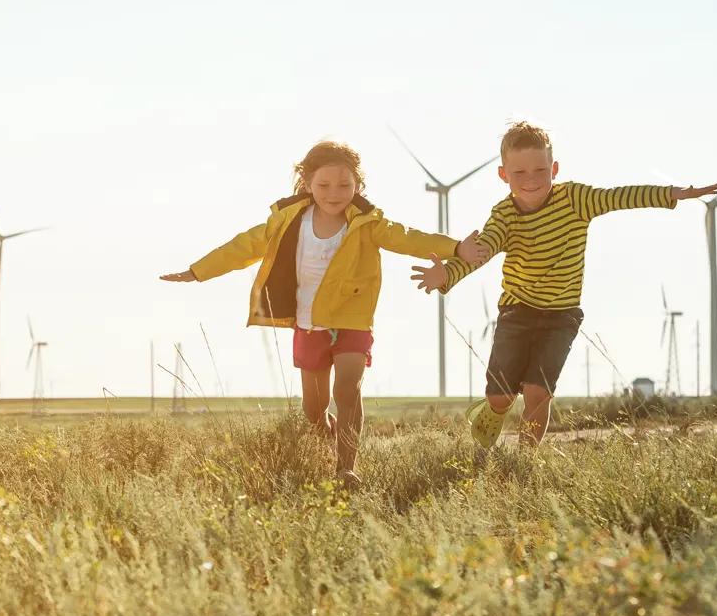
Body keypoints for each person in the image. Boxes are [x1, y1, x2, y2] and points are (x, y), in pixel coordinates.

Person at [161, 140, 490, 487]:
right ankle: (329, 434)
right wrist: (197, 271)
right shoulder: (287, 221)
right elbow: (241, 247)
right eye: (324, 185)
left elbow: (409, 238)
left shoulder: (367, 224)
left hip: (353, 321)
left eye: (345, 185)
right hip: (309, 324)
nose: (335, 193)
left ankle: (346, 467)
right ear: (307, 184)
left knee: (347, 390)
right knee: (313, 411)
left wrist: (455, 247)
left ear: (358, 186)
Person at [410, 120, 717, 447]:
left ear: (554, 169)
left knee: (537, 392)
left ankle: (527, 459)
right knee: (501, 397)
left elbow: (620, 197)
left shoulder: (576, 199)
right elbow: (482, 250)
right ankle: (494, 409)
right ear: (503, 175)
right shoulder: (504, 215)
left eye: (539, 170)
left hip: (562, 316)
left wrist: (672, 194)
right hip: (516, 311)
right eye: (519, 173)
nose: (530, 180)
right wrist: (447, 273)